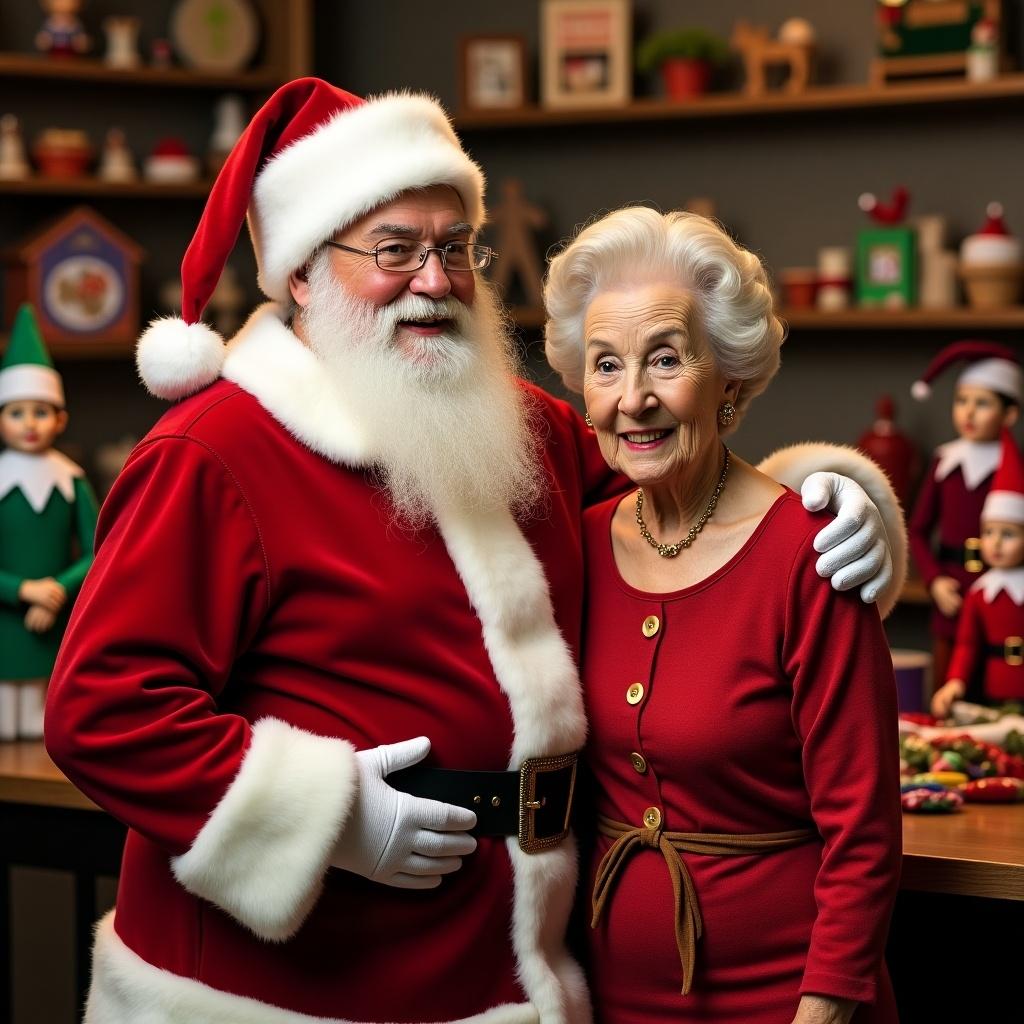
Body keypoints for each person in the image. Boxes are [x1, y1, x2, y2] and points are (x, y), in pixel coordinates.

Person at [45, 79, 901, 1024]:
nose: (434, 278)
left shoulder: (527, 429)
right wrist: (330, 815)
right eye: (395, 250)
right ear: (299, 272)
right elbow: (102, 708)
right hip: (283, 987)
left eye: (454, 248)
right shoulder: (212, 453)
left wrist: (824, 506)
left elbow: (685, 527)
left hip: (502, 964)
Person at [543, 207, 903, 1023]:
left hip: (786, 999)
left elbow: (864, 838)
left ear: (729, 375)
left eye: (665, 360)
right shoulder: (580, 544)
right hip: (612, 999)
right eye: (605, 366)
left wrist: (824, 1011)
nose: (633, 399)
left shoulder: (810, 553)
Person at [0, 302, 97, 740]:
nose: (30, 424)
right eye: (17, 413)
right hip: (6, 618)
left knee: (43, 724)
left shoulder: (71, 480)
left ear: (61, 419)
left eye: (41, 412)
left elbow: (100, 548)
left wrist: (57, 588)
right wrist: (23, 590)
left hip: (54, 620)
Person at [908, 341, 1021, 685]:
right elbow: (918, 529)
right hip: (952, 590)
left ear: (1009, 414)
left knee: (994, 671)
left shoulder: (1013, 467)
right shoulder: (946, 462)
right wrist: (935, 579)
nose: (969, 413)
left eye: (982, 403)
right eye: (962, 401)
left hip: (1000, 589)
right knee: (947, 673)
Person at [932, 428, 1024, 717]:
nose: (995, 543)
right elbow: (967, 645)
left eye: (1007, 534)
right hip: (991, 698)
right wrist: (955, 681)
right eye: (988, 532)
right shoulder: (980, 593)